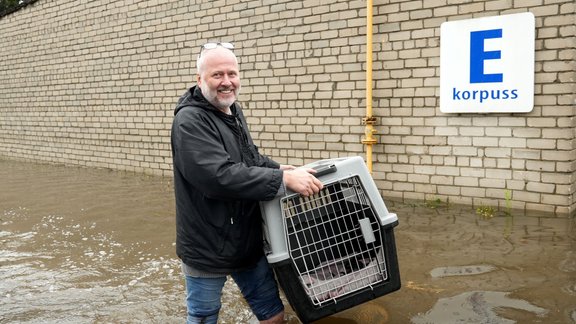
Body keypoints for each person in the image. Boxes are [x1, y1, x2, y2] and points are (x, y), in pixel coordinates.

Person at [171, 42, 324, 324]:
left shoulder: (232, 110)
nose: (227, 82)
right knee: (203, 318)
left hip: (245, 238)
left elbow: (247, 156)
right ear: (200, 79)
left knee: (273, 314)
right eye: (217, 75)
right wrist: (281, 179)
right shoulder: (190, 120)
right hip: (207, 246)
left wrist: (277, 168)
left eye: (232, 73)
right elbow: (218, 176)